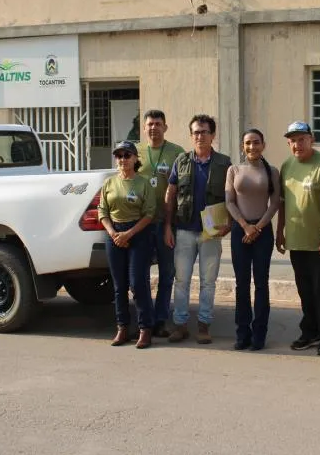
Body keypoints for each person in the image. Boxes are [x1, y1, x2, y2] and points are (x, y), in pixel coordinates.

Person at [164, 114, 232, 344]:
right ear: (191, 135)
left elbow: (232, 196)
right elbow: (171, 194)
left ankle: (204, 325)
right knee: (181, 280)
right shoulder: (181, 161)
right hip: (183, 230)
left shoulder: (224, 163)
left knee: (208, 281)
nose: (199, 136)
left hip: (210, 232)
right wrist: (167, 226)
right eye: (196, 132)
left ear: (213, 135)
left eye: (204, 132)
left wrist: (229, 223)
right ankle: (180, 325)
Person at [276, 121, 320, 356]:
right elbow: (283, 203)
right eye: (292, 140)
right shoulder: (287, 166)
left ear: (311, 139)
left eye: (301, 139)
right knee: (304, 289)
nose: (297, 144)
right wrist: (279, 231)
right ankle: (310, 331)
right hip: (296, 240)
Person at [226, 128, 281, 351]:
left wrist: (257, 227)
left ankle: (259, 334)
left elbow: (275, 203)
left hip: (262, 231)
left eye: (256, 142)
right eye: (248, 143)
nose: (252, 147)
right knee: (241, 284)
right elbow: (229, 201)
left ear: (263, 145)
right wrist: (245, 226)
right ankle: (242, 333)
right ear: (243, 146)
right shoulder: (234, 170)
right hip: (241, 231)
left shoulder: (272, 171)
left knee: (261, 284)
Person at [98, 141, 156, 349]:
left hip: (138, 234)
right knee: (119, 286)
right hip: (114, 234)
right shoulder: (109, 184)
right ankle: (122, 327)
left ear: (135, 159)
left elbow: (149, 213)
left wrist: (129, 233)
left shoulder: (143, 183)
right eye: (119, 155)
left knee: (137, 283)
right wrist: (113, 233)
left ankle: (145, 329)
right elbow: (102, 211)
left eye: (127, 155)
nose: (123, 159)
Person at [136, 110, 186, 338]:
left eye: (158, 124)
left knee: (167, 273)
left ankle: (161, 319)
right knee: (140, 274)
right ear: (144, 128)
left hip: (166, 224)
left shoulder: (177, 153)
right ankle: (144, 319)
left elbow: (181, 190)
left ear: (166, 127)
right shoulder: (134, 152)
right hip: (139, 225)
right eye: (150, 124)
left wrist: (170, 223)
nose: (154, 128)